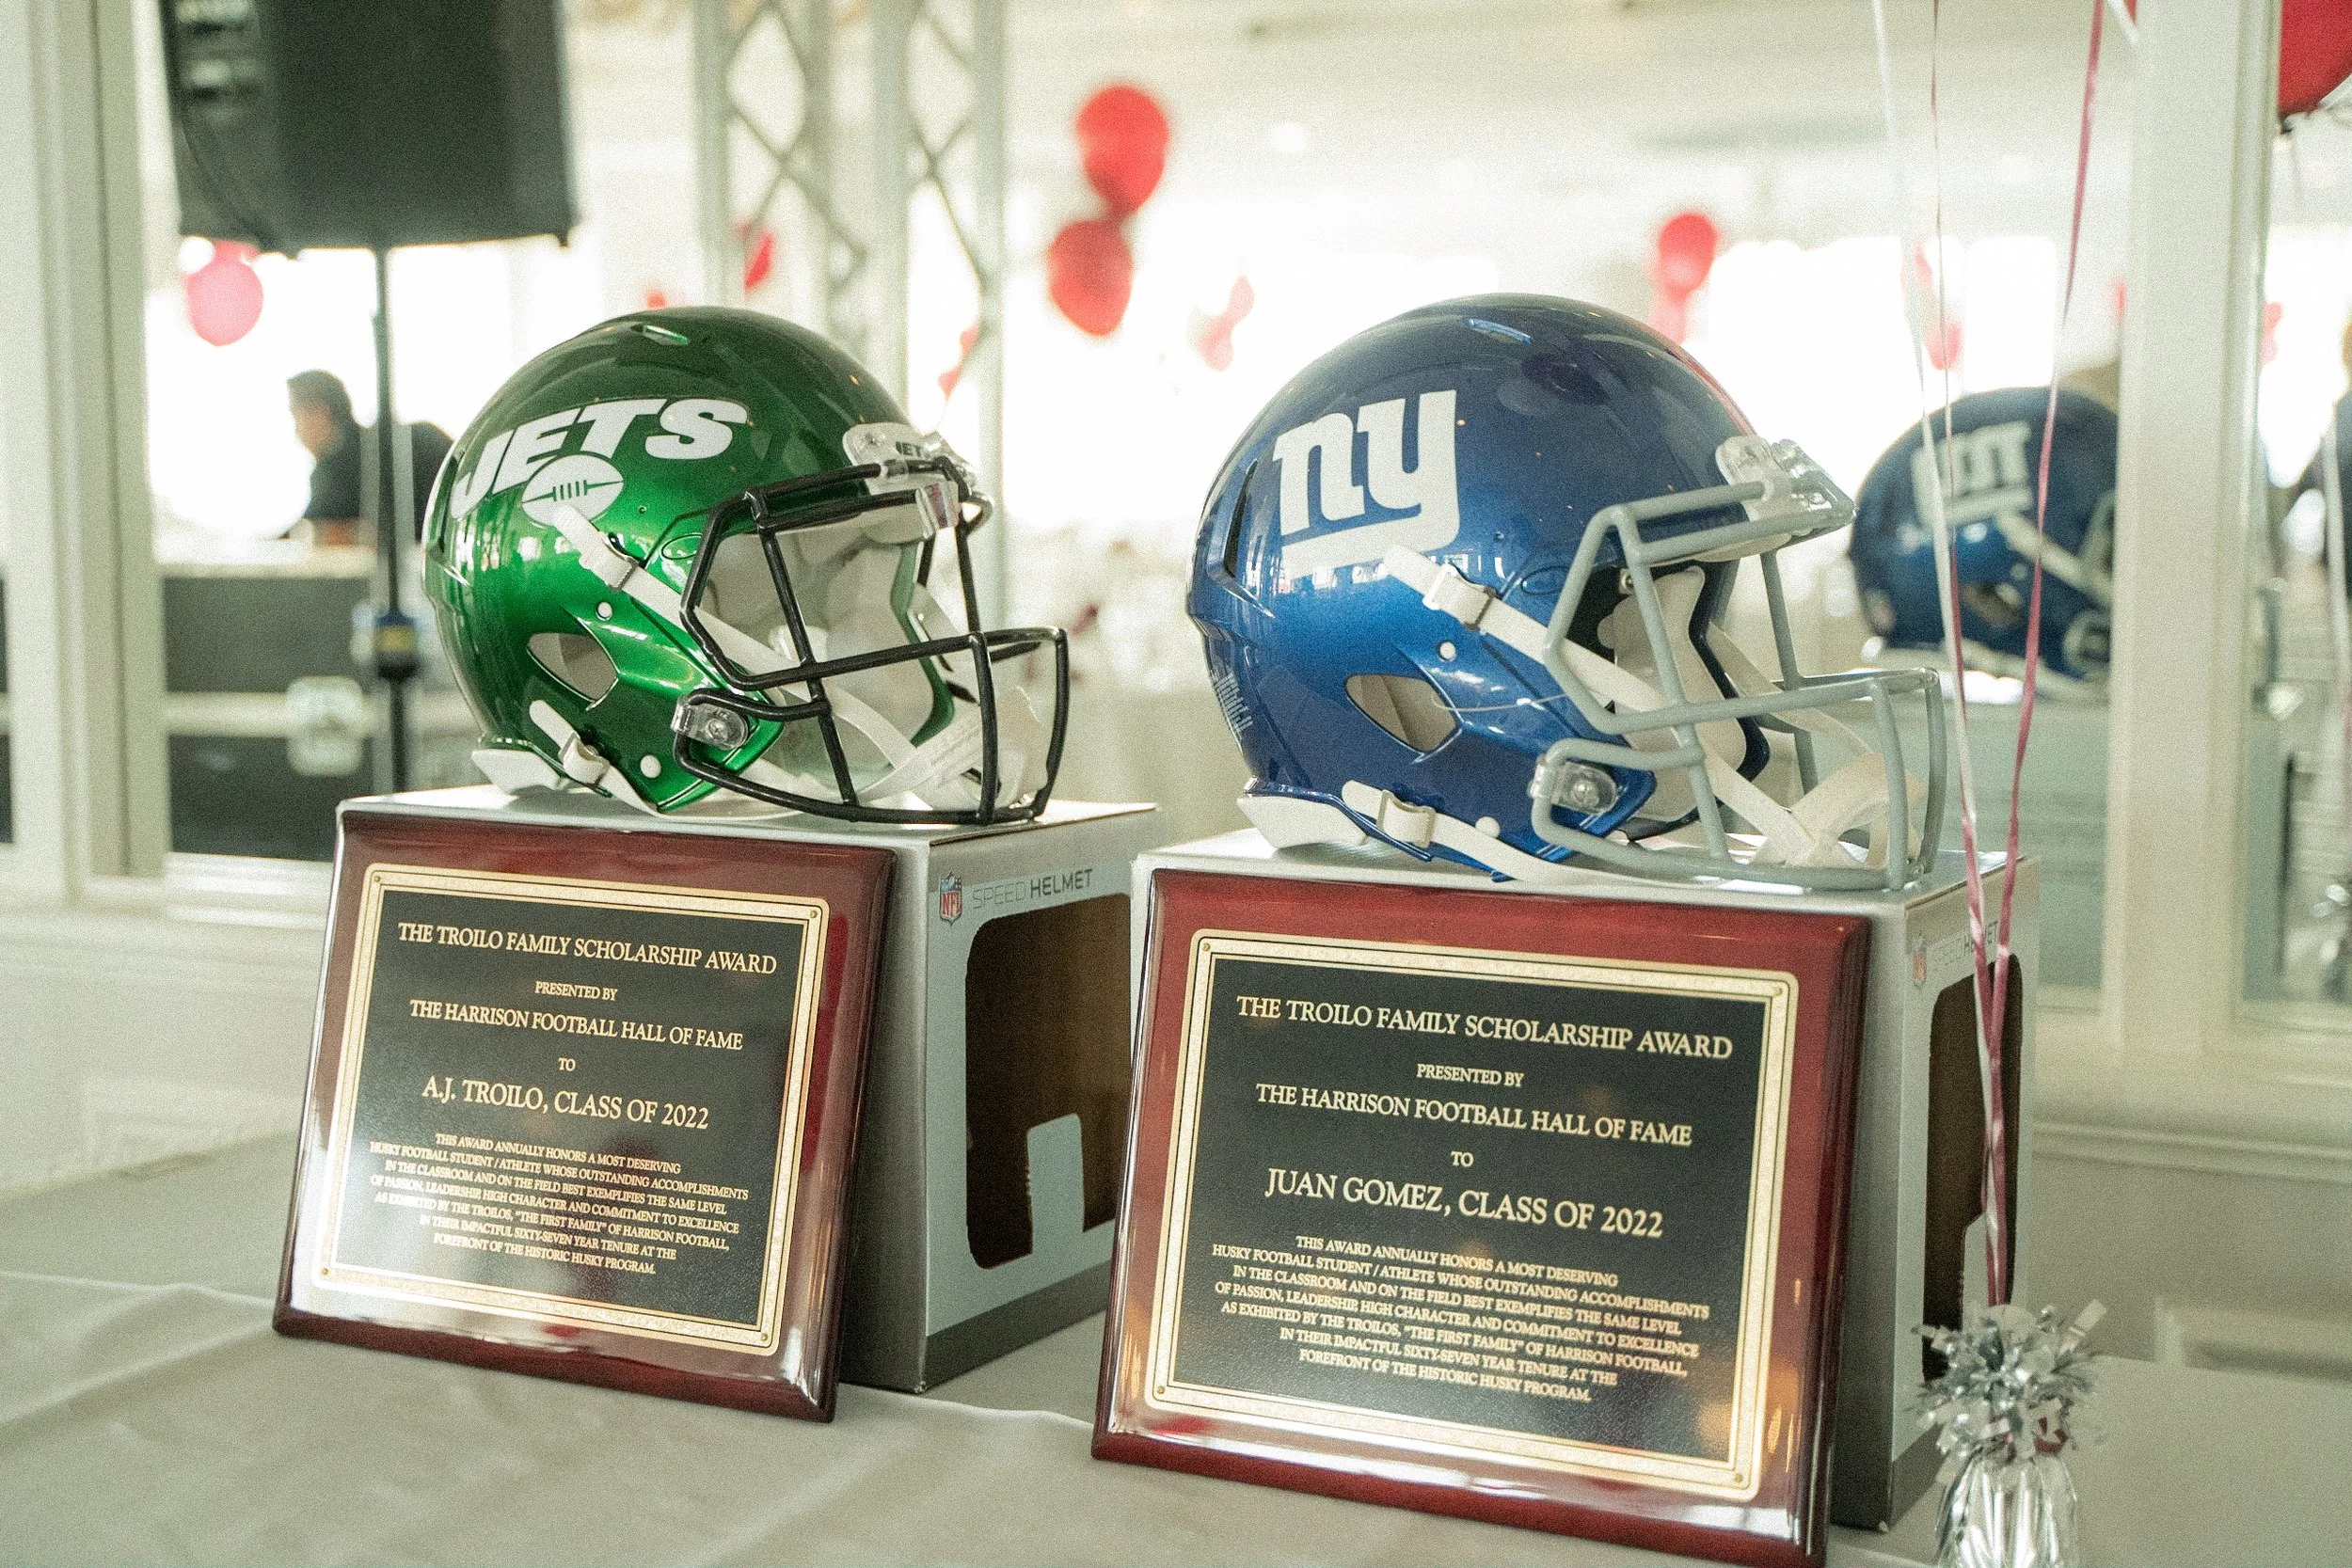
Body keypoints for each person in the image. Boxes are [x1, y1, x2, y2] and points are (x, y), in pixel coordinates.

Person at [286, 369, 453, 546]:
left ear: (320, 415)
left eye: (297, 418)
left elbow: (317, 529)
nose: (297, 433)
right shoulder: (420, 436)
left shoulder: (336, 468)